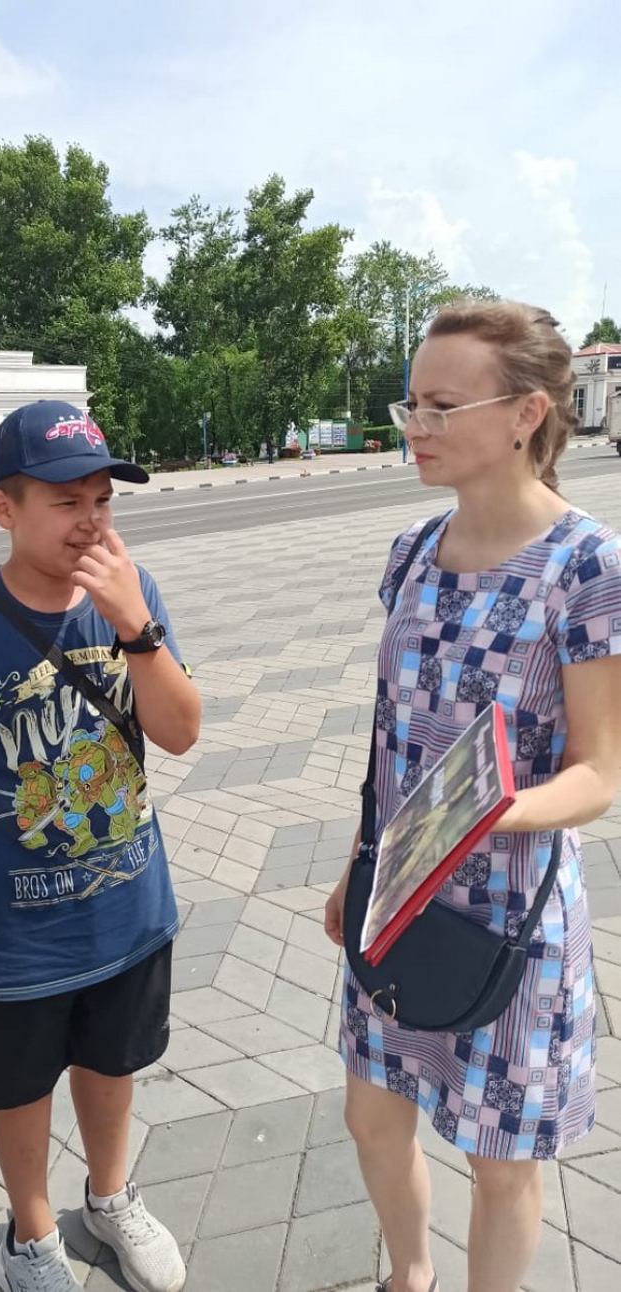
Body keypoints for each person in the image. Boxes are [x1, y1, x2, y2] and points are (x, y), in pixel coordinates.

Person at [324, 299, 621, 1292]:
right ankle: (408, 1274)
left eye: (442, 405)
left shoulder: (587, 566)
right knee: (371, 1114)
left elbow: (599, 771)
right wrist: (357, 864)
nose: (416, 423)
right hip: (397, 892)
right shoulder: (412, 550)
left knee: (500, 1162)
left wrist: (493, 813)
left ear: (526, 412)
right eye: (411, 402)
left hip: (512, 915)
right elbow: (389, 738)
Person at [0, 399, 201, 1292]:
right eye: (66, 502)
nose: (90, 521)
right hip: (16, 936)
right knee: (18, 1086)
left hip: (130, 906)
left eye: (102, 499)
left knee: (112, 1063)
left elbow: (181, 732)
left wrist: (134, 624)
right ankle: (30, 1235)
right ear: (4, 509)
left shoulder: (133, 596)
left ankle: (110, 1196)